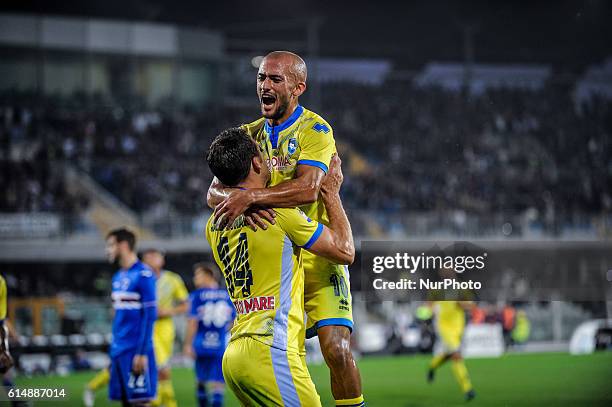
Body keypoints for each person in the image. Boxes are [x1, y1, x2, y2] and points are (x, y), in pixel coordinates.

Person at [208, 51, 364, 407]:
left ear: (298, 87)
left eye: (275, 79)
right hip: (277, 253)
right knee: (285, 350)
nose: (265, 85)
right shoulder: (247, 135)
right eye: (262, 78)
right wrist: (244, 199)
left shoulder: (316, 130)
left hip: (319, 251)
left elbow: (310, 188)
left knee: (337, 350)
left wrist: (250, 199)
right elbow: (212, 192)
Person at [106, 228, 157, 406]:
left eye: (111, 245)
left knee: (141, 402)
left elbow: (150, 315)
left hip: (136, 350)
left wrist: (142, 353)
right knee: (125, 402)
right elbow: (118, 317)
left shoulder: (144, 274)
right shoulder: (118, 276)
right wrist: (113, 353)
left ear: (124, 245)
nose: (108, 250)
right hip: (119, 350)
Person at [142, 248, 189, 407]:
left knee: (162, 369)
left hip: (165, 328)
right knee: (156, 366)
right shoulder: (140, 278)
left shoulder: (173, 279)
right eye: (149, 256)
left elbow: (185, 305)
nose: (154, 259)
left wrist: (168, 311)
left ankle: (162, 401)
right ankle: (165, 401)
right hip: (144, 327)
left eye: (156, 256)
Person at [183, 263, 235, 407]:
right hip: (219, 344)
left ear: (208, 276)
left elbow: (192, 322)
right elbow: (234, 321)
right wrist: (223, 333)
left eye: (198, 275)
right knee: (218, 382)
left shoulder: (196, 295)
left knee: (200, 380)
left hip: (200, 343)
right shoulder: (227, 295)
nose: (195, 279)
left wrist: (187, 344)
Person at [426, 271, 476, 402]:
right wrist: (430, 311)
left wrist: (462, 304)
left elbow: (471, 305)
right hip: (444, 327)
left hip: (458, 327)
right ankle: (468, 389)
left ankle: (432, 366)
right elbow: (429, 306)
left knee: (449, 354)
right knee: (456, 355)